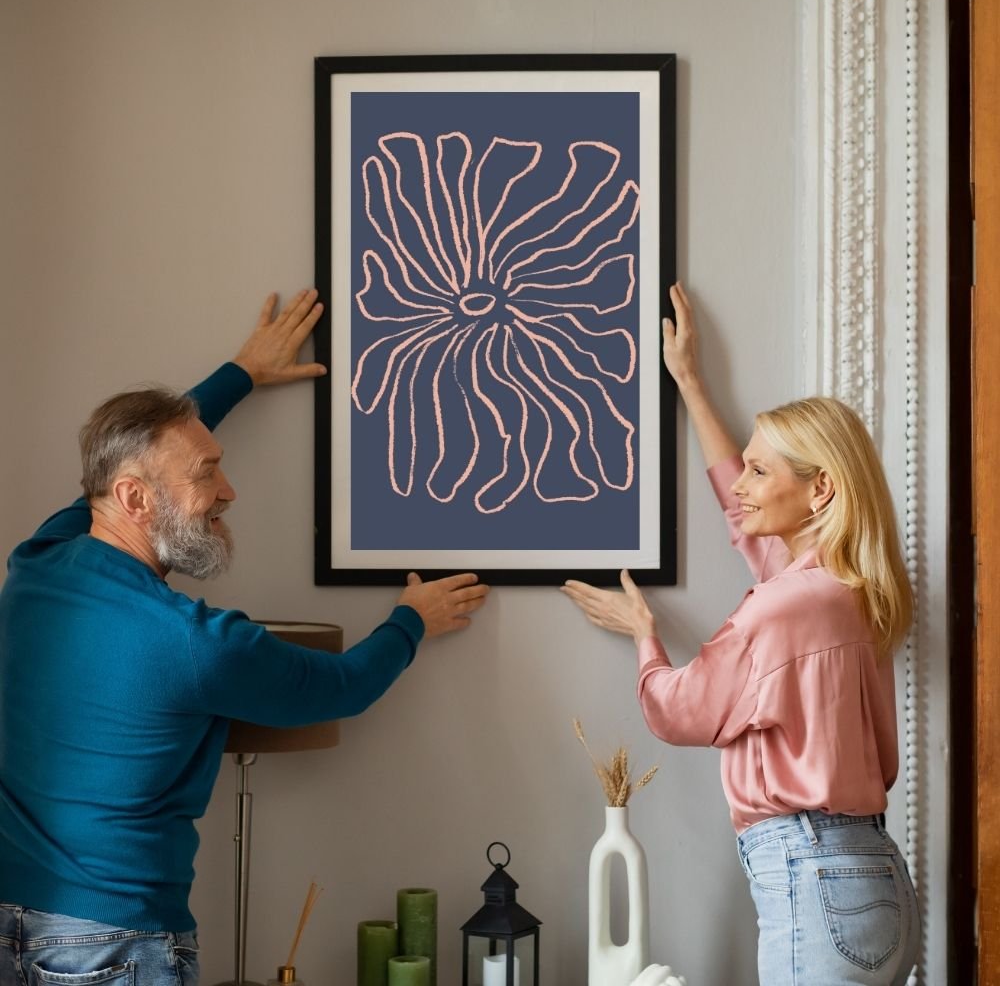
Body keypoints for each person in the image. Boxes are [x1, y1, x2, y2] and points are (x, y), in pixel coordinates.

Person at [0, 288, 489, 986]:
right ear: (136, 500)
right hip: (117, 948)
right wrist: (412, 619)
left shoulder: (38, 561)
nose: (228, 490)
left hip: (14, 923)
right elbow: (342, 687)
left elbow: (120, 469)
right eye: (207, 472)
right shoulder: (196, 643)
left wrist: (241, 372)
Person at [562, 283, 920, 985]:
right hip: (876, 876)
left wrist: (644, 635)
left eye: (762, 470)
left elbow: (678, 708)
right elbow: (746, 520)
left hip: (810, 873)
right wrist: (690, 381)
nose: (744, 485)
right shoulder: (857, 593)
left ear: (819, 491)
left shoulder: (780, 608)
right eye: (748, 466)